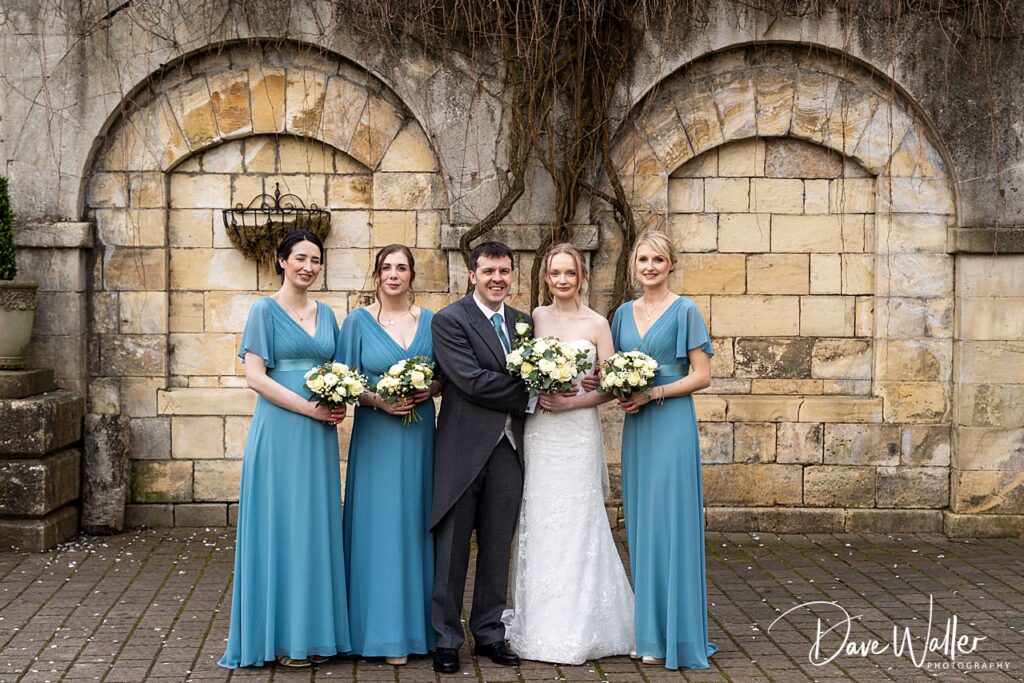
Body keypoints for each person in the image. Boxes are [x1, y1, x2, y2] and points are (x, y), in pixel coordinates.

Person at [219, 230, 350, 669]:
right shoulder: (263, 310)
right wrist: (308, 410)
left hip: (318, 439)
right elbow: (255, 377)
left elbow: (336, 369)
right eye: (300, 258)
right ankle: (280, 640)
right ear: (281, 261)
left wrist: (339, 398)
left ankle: (313, 635)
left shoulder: (328, 314)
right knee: (283, 527)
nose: (308, 267)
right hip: (280, 432)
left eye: (315, 260)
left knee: (314, 529)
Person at [502, 244, 635, 664]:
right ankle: (539, 620)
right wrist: (539, 391)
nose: (562, 280)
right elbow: (516, 371)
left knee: (578, 519)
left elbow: (612, 385)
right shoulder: (534, 319)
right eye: (554, 273)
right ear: (545, 277)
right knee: (539, 518)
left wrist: (574, 402)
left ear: (581, 277)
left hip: (577, 433)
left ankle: (583, 621)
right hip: (541, 432)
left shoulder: (597, 323)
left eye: (569, 273)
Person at [609, 229, 717, 670]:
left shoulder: (686, 310)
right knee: (642, 523)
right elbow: (612, 366)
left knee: (671, 522)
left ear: (670, 264)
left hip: (670, 421)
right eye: (642, 260)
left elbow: (702, 375)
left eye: (657, 260)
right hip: (637, 427)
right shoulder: (621, 314)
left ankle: (678, 635)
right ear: (634, 266)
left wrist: (656, 394)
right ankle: (649, 633)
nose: (649, 267)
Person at [336, 244, 440, 666]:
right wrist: (377, 400)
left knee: (416, 523)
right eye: (386, 268)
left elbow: (447, 377)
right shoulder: (356, 323)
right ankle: (375, 631)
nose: (394, 275)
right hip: (377, 434)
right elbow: (342, 380)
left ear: (412, 275)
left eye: (402, 268)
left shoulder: (433, 321)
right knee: (377, 526)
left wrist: (428, 390)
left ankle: (416, 630)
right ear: (376, 275)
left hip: (419, 438)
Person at [429, 241, 531, 675]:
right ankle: (447, 639)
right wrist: (533, 388)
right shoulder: (450, 320)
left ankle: (490, 633)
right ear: (472, 274)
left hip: (509, 449)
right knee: (452, 549)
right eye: (488, 270)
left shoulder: (524, 323)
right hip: (462, 448)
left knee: (496, 546)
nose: (497, 279)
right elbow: (470, 381)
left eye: (504, 271)